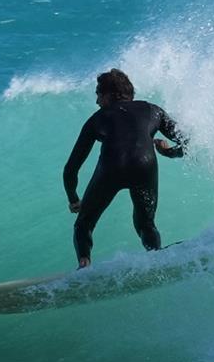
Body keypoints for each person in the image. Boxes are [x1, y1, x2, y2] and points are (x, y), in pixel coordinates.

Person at [63, 69, 187, 269]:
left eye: (98, 94)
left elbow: (70, 169)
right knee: (146, 224)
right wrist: (169, 152)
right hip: (144, 165)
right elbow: (188, 143)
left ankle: (84, 266)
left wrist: (73, 199)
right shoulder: (153, 110)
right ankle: (157, 258)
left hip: (112, 166)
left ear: (110, 94)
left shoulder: (97, 119)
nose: (97, 101)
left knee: (83, 225)